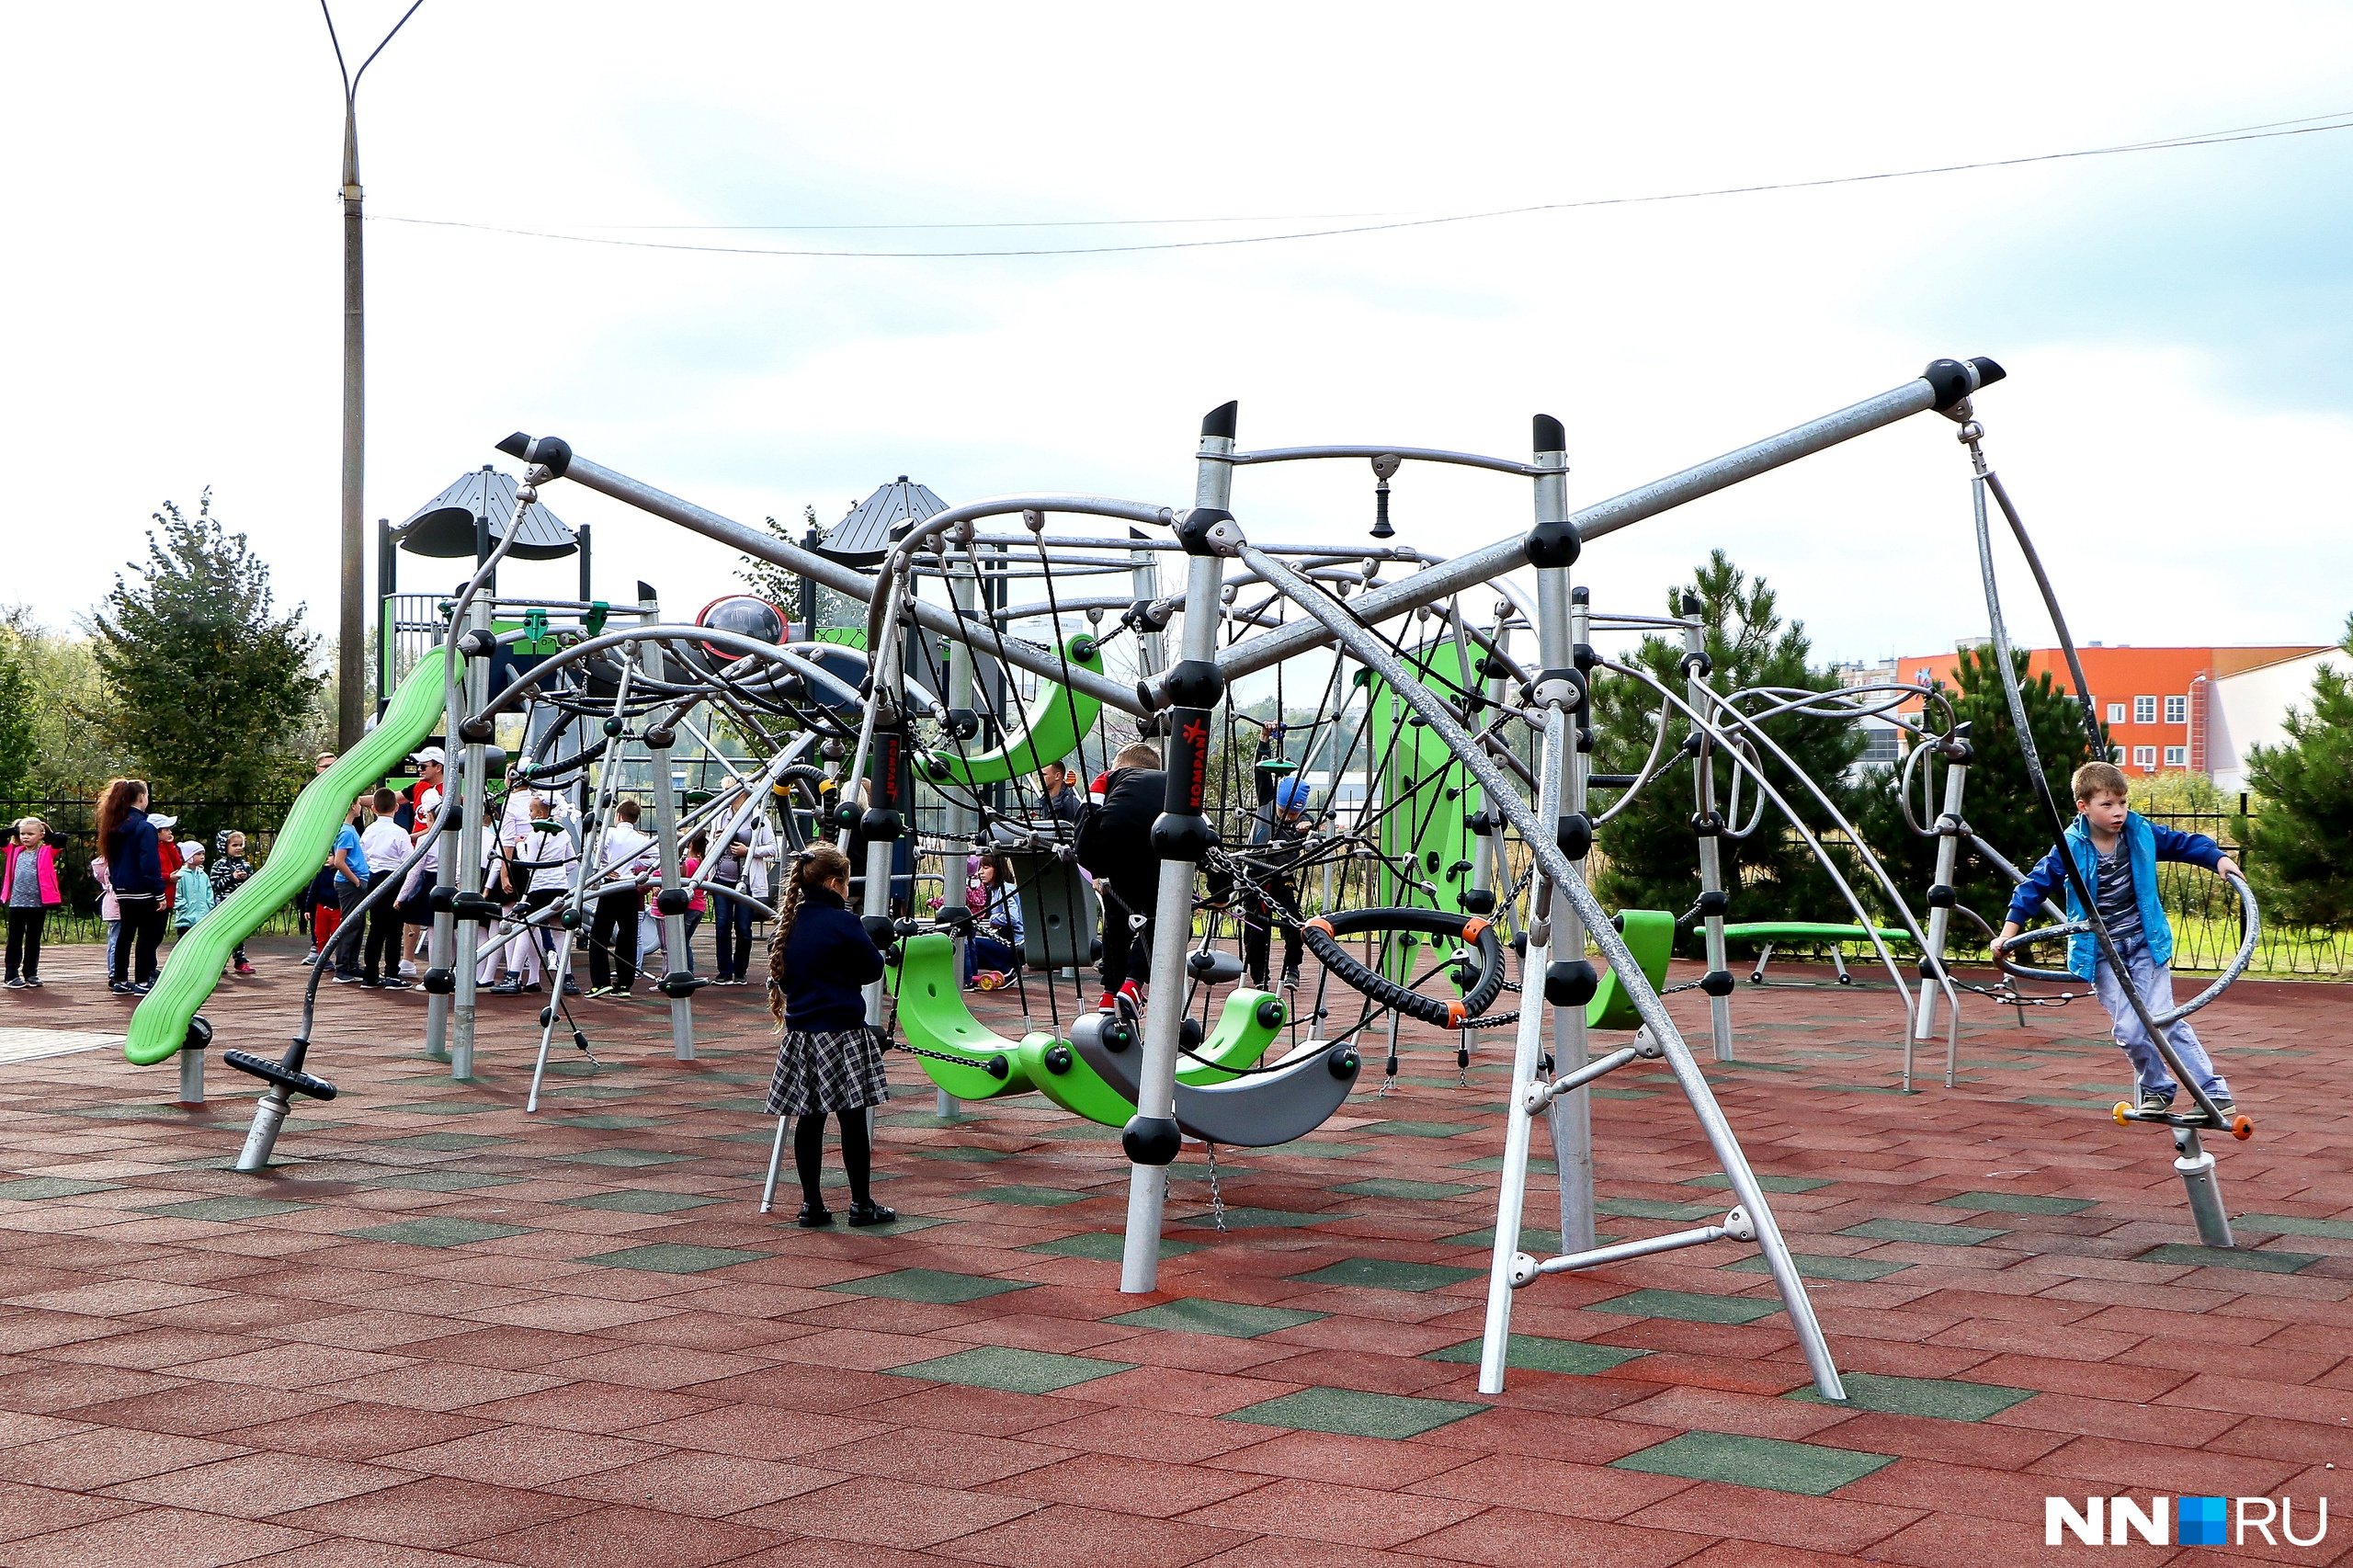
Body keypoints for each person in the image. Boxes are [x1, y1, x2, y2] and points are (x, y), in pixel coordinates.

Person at [1998, 760, 2240, 1121]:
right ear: (2084, 807)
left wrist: (2217, 859)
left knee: (2163, 1018)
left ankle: (2214, 1093)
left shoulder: (2138, 832)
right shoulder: (2071, 846)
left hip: (2145, 944)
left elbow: (2183, 843)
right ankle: (2157, 1088)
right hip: (2101, 952)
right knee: (2129, 1030)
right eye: (2107, 805)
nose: (2118, 812)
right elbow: (2034, 886)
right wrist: (2007, 935)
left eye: (2123, 803)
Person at [763, 843, 892, 1229]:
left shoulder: (788, 925)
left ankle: (812, 1206)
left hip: (802, 1034)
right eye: (847, 882)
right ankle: (861, 1205)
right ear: (836, 882)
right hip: (844, 1032)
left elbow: (784, 976)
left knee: (809, 1120)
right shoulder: (844, 923)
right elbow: (872, 970)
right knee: (852, 1122)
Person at [1075, 742, 1165, 1011]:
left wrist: (1092, 866)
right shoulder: (1173, 783)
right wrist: (1219, 883)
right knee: (1165, 917)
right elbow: (1202, 826)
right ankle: (1134, 983)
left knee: (1116, 915)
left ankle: (1109, 992)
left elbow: (1086, 815)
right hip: (1156, 842)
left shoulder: (1109, 777)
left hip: (1114, 838)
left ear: (1119, 765)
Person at [1241, 766, 1313, 992]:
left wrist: (1308, 826)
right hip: (1256, 874)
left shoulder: (1304, 824)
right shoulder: (1266, 802)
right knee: (1255, 926)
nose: (1289, 818)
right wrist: (1265, 739)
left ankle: (1292, 967)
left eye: (1294, 815)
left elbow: (1314, 834)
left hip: (1283, 878)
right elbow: (1261, 772)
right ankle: (1259, 976)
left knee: (1293, 921)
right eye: (1285, 812)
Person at [97, 778, 167, 994]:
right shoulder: (144, 827)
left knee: (125, 935)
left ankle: (119, 979)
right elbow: (149, 862)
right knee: (147, 936)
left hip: (123, 889)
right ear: (141, 798)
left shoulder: (114, 826)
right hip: (143, 889)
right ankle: (143, 980)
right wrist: (159, 892)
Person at [588, 798, 654, 998]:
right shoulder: (641, 839)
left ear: (618, 816)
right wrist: (643, 869)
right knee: (628, 936)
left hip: (611, 886)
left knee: (599, 934)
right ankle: (625, 984)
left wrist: (606, 868)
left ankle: (600, 982)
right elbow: (658, 856)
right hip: (629, 887)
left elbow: (598, 849)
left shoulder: (610, 832)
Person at [398, 748, 447, 977]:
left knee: (437, 923)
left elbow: (440, 825)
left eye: (423, 766)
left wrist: (416, 837)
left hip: (436, 862)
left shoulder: (449, 792)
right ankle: (408, 961)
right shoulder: (418, 787)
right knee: (414, 911)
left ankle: (441, 968)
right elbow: (391, 798)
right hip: (422, 858)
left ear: (438, 767)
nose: (419, 770)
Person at [358, 788, 413, 988]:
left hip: (374, 878)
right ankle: (392, 973)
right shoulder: (400, 833)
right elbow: (409, 861)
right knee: (394, 929)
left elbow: (363, 857)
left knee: (376, 928)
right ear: (397, 807)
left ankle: (370, 974)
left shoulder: (368, 832)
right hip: (395, 879)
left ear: (373, 808)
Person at [4, 817, 63, 989]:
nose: (26, 837)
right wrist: (15, 829)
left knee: (33, 939)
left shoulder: (46, 851)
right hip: (17, 903)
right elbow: (0, 838)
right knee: (15, 938)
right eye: (23, 834)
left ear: (40, 835)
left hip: (38, 903)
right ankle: (11, 974)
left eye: (30, 833)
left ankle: (30, 973)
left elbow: (61, 840)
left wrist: (45, 829)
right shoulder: (14, 851)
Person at [327, 799, 373, 983]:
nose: (361, 807)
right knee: (350, 925)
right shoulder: (346, 831)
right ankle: (342, 967)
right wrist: (356, 881)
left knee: (358, 924)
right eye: (358, 804)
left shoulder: (349, 829)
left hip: (354, 880)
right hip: (350, 883)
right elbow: (339, 861)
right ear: (353, 807)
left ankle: (351, 964)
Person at [963, 854, 1024, 989]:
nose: (980, 872)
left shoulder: (1005, 889)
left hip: (1014, 945)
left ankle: (1006, 969)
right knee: (972, 943)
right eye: (980, 868)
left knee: (968, 944)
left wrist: (994, 919)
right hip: (1009, 941)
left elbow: (1013, 917)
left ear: (997, 869)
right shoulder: (995, 889)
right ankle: (1002, 969)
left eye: (986, 867)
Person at [210, 831, 257, 975]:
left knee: (239, 934)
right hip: (224, 904)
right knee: (223, 934)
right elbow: (214, 885)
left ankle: (240, 961)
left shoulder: (246, 865)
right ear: (225, 846)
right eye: (234, 845)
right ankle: (220, 962)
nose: (239, 848)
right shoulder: (219, 865)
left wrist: (246, 878)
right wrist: (232, 877)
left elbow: (253, 884)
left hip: (241, 904)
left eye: (241, 845)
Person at [679, 831, 710, 973]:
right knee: (685, 941)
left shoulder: (688, 863)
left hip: (689, 906)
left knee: (681, 942)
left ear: (690, 845)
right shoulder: (701, 862)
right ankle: (688, 970)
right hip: (699, 905)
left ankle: (687, 971)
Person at [172, 844, 215, 940]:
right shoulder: (180, 875)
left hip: (203, 918)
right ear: (189, 856)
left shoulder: (203, 875)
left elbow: (209, 892)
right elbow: (176, 894)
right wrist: (184, 907)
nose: (202, 857)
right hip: (186, 919)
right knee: (184, 944)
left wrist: (210, 906)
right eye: (198, 854)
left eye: (203, 854)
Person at [1038, 758, 1086, 831]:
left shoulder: (1070, 802)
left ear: (1057, 776)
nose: (1040, 778)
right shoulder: (1046, 801)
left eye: (1044, 775)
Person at [93, 851, 119, 977]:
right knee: (116, 940)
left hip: (112, 904)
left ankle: (114, 972)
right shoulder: (112, 863)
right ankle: (114, 972)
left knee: (115, 939)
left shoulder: (104, 864)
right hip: (116, 904)